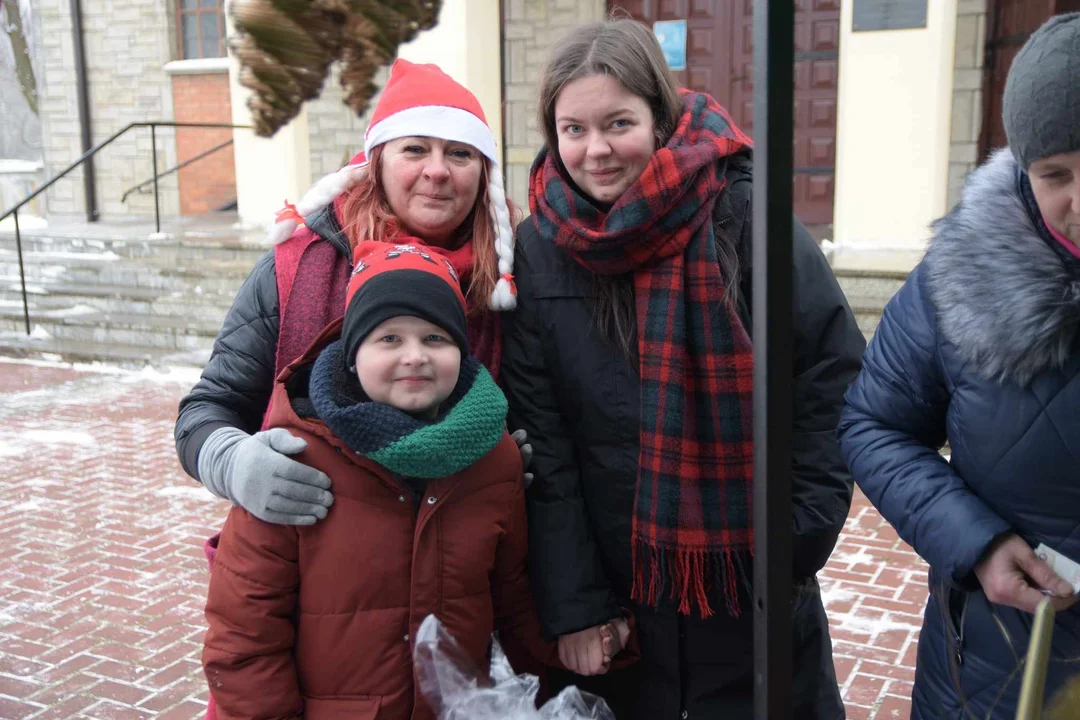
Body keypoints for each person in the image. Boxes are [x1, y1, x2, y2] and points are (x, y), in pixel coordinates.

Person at [500, 18, 866, 720]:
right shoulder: (539, 244)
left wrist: (794, 541)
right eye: (573, 129)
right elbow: (543, 442)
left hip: (753, 586)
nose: (596, 149)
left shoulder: (743, 211)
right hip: (619, 607)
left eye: (618, 123)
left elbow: (830, 373)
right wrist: (578, 604)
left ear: (659, 118)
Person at [202, 241, 632, 719]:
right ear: (352, 355)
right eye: (389, 339)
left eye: (435, 338)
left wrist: (578, 640)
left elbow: (513, 602)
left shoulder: (494, 460)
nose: (415, 357)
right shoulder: (296, 457)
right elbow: (244, 634)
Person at [838, 13, 1080, 719]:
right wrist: (975, 541)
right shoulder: (960, 277)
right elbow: (873, 424)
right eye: (1056, 174)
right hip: (994, 672)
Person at [174, 58, 524, 529]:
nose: (438, 171)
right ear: (376, 162)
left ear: (483, 172)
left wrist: (510, 466)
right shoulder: (296, 265)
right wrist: (230, 461)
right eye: (415, 149)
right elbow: (210, 406)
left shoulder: (512, 275)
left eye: (460, 154)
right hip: (319, 566)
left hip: (457, 573)